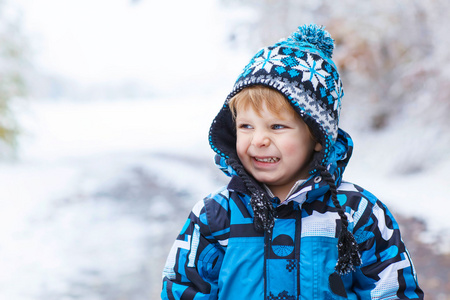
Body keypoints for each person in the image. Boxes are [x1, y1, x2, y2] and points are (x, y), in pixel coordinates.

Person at [161, 24, 424, 299]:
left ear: (317, 137)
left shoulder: (355, 213)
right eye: (247, 126)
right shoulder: (216, 215)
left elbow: (393, 291)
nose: (258, 140)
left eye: (276, 127)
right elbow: (183, 289)